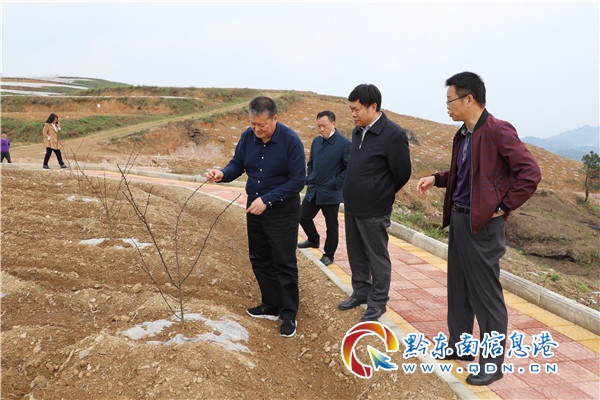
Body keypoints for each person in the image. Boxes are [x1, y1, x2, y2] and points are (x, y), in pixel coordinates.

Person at [417, 72, 541, 386]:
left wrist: (503, 206)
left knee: (487, 298)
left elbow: (530, 173)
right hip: (460, 220)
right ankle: (460, 345)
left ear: (469, 98)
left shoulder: (498, 130)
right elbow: (466, 174)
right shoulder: (464, 134)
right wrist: (437, 178)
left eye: (450, 100)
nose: (447, 106)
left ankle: (492, 364)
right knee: (459, 288)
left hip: (483, 225)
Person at [206, 96, 306, 338]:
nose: (257, 130)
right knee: (260, 258)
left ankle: (289, 314)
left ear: (275, 118)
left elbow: (298, 181)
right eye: (253, 124)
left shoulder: (291, 141)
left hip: (281, 209)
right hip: (255, 207)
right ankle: (270, 305)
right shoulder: (247, 137)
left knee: (283, 260)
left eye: (262, 125)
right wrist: (222, 174)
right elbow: (237, 164)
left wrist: (268, 200)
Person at [338, 84, 411, 322]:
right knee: (356, 252)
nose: (353, 114)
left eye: (357, 109)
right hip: (353, 204)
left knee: (376, 256)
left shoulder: (393, 134)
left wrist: (380, 192)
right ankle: (360, 292)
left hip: (375, 208)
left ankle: (378, 302)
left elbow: (403, 173)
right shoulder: (357, 131)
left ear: (373, 107)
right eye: (351, 109)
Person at [297, 110, 351, 266]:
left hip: (331, 192)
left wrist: (335, 183)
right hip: (314, 189)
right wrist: (310, 177)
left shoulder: (345, 144)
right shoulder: (316, 141)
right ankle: (313, 240)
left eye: (324, 126)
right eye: (319, 126)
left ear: (333, 124)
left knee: (331, 226)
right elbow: (311, 163)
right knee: (302, 216)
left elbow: (349, 169)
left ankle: (329, 255)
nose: (321, 129)